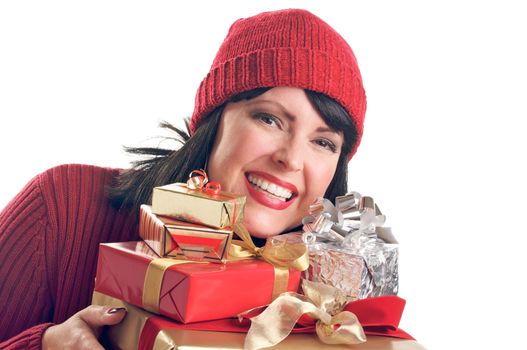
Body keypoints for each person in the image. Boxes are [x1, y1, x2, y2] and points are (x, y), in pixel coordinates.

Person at [0, 8, 366, 349]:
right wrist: (44, 343)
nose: (290, 159)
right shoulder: (62, 207)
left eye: (323, 142)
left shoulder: (331, 293)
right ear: (212, 121)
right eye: (268, 119)